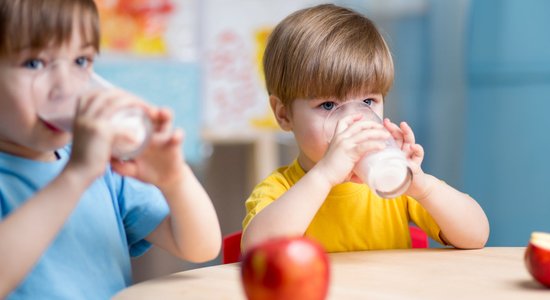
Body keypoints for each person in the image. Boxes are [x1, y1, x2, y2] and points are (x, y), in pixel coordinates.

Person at [0, 0, 221, 298]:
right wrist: (75, 177)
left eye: (80, 61)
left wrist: (175, 180)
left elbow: (200, 247)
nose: (65, 88)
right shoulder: (84, 166)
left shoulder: (102, 165)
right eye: (34, 63)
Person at [241, 4, 489, 252]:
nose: (353, 121)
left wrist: (422, 186)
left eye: (367, 102)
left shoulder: (394, 186)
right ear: (284, 114)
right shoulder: (280, 189)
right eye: (328, 105)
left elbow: (477, 236)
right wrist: (325, 176)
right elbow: (257, 252)